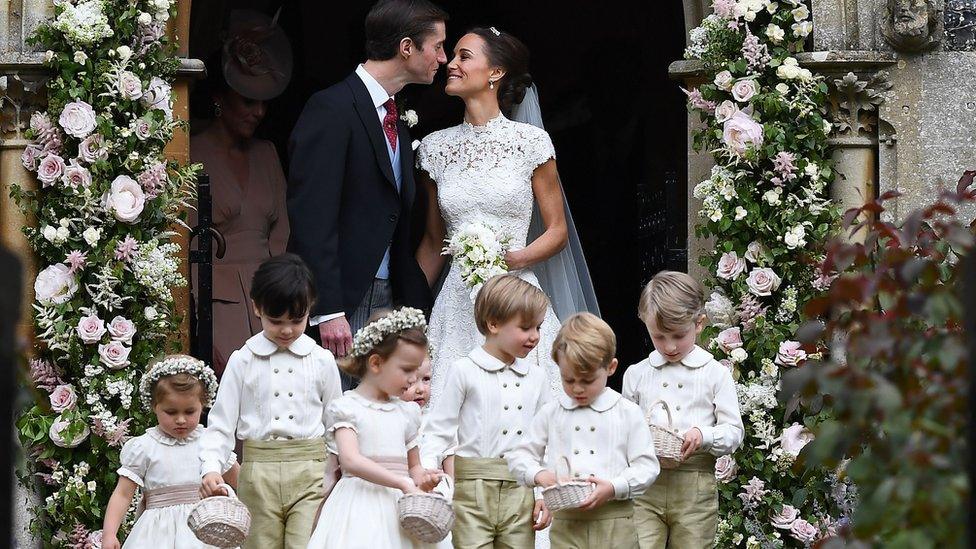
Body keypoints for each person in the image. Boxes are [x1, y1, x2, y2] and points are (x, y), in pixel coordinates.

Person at [288, 0, 447, 380]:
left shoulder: (397, 116)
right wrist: (328, 309)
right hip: (343, 298)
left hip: (389, 294)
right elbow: (313, 214)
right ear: (407, 47)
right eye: (438, 46)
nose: (442, 58)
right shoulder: (332, 108)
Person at [415, 27, 570, 406]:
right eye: (451, 55)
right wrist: (414, 308)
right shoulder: (434, 149)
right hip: (456, 301)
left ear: (496, 72)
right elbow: (435, 242)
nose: (450, 64)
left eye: (464, 56)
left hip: (517, 294)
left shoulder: (531, 143)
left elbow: (557, 230)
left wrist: (512, 260)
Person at [199, 254, 343, 548]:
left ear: (310, 308)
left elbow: (336, 422)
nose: (287, 330)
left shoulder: (322, 360)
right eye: (276, 321)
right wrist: (211, 467)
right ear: (256, 307)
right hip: (258, 473)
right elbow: (220, 424)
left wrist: (335, 470)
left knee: (309, 543)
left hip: (312, 472)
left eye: (296, 320)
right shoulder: (242, 361)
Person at [190, 9, 293, 376]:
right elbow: (180, 241)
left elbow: (281, 232)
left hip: (269, 301)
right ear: (220, 98)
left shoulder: (267, 153)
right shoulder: (191, 153)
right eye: (249, 101)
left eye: (264, 102)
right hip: (214, 303)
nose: (259, 112)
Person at [421, 274, 554, 547]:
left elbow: (545, 441)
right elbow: (440, 429)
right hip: (472, 491)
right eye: (526, 327)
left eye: (538, 328)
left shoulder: (537, 377)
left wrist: (543, 493)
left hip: (520, 490)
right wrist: (426, 470)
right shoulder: (464, 371)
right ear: (493, 324)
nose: (535, 337)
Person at [506, 313, 659, 549]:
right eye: (568, 380)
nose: (577, 388)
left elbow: (647, 466)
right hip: (568, 522)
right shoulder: (552, 412)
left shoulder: (627, 412)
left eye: (587, 380)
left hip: (616, 522)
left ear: (611, 367)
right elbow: (519, 456)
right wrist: (540, 475)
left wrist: (615, 486)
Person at [622, 271, 744, 549]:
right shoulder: (637, 374)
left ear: (699, 323)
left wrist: (704, 435)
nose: (670, 346)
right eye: (659, 336)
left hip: (694, 486)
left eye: (679, 335)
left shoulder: (715, 374)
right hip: (646, 485)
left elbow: (734, 432)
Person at [307, 308, 443, 548]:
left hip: (400, 509)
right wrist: (401, 483)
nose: (413, 379)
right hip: (359, 504)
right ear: (376, 363)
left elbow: (414, 467)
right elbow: (350, 461)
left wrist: (425, 479)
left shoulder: (407, 413)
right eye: (407, 370)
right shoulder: (348, 408)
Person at [102, 355, 234, 549]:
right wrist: (109, 534)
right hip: (156, 536)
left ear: (203, 406)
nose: (180, 420)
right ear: (155, 406)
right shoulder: (145, 447)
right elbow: (123, 494)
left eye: (189, 412)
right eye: (171, 412)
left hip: (205, 532)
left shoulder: (211, 443)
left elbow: (242, 480)